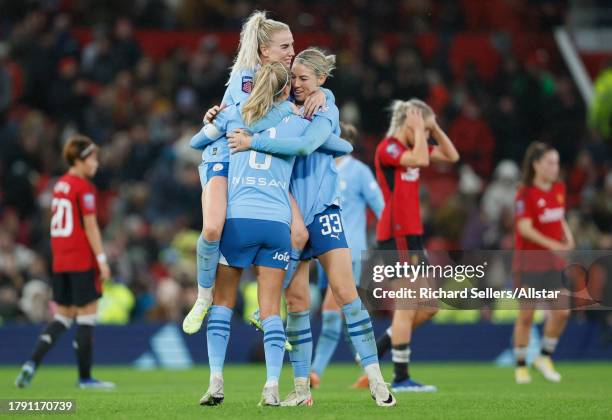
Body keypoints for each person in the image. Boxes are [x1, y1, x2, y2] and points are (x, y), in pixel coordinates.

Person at [230, 47, 396, 408]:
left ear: (322, 80)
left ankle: (378, 382)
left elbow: (307, 146)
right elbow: (333, 143)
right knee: (298, 303)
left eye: (305, 79)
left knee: (346, 293)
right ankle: (302, 389)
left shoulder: (327, 106)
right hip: (288, 214)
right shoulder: (282, 105)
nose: (297, 84)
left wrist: (255, 140)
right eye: (293, 78)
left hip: (323, 211)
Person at [198, 62, 351, 407]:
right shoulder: (298, 121)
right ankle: (270, 386)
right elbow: (343, 149)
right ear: (287, 89)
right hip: (278, 226)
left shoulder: (235, 115)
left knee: (222, 304)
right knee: (270, 310)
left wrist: (212, 120)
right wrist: (321, 107)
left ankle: (215, 383)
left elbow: (197, 142)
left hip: (238, 221)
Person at [182, 10, 327, 335]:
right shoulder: (246, 77)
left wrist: (319, 93)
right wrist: (290, 109)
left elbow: (318, 90)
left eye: (292, 45)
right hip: (226, 159)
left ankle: (266, 310)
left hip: (264, 173)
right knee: (212, 229)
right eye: (285, 46)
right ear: (265, 51)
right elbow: (251, 119)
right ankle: (204, 296)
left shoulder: (289, 80)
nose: (292, 51)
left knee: (300, 234)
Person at [353, 99, 459, 392]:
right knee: (406, 306)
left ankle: (379, 346)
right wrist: (416, 127)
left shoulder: (412, 148)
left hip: (412, 235)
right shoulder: (389, 148)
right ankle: (401, 378)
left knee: (429, 308)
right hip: (396, 234)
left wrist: (433, 125)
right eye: (422, 130)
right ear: (407, 125)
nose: (425, 136)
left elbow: (452, 155)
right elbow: (423, 161)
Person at [15, 135, 114, 389]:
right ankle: (85, 378)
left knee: (62, 317)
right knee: (86, 317)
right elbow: (91, 227)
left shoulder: (59, 185)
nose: (96, 163)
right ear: (80, 160)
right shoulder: (83, 187)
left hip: (61, 261)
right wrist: (102, 259)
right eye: (92, 158)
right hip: (81, 259)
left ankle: (31, 364)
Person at [309, 122, 384, 388]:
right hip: (324, 250)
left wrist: (385, 245)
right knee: (349, 309)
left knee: (332, 310)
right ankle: (368, 366)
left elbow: (381, 208)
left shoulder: (359, 171)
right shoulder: (321, 168)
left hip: (349, 249)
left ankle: (315, 372)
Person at [513, 142, 573, 384]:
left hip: (552, 264)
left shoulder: (559, 188)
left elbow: (559, 216)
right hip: (528, 264)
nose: (554, 167)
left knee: (563, 311)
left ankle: (543, 357)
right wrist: (554, 244)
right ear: (536, 165)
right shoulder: (525, 194)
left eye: (556, 162)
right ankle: (520, 366)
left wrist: (568, 236)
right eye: (549, 162)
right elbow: (524, 228)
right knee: (527, 315)